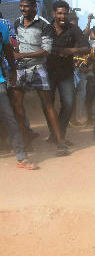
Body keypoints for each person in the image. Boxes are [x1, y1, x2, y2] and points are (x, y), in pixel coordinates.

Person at [11, 0, 69, 156]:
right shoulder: (16, 22)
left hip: (38, 69)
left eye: (27, 6)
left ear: (35, 7)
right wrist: (16, 52)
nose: (23, 9)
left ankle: (60, 143)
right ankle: (26, 140)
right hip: (21, 69)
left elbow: (46, 51)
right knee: (17, 106)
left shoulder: (44, 25)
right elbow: (16, 43)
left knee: (48, 105)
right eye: (21, 5)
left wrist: (21, 55)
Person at [45, 0, 89, 144]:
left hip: (66, 73)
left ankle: (60, 134)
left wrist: (71, 50)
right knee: (47, 105)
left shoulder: (74, 29)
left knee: (69, 104)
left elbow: (86, 48)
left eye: (65, 13)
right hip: (47, 73)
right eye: (59, 13)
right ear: (53, 14)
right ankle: (55, 135)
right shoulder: (45, 28)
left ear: (68, 13)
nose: (62, 16)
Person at [0, 18, 37, 169]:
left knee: (10, 118)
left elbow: (8, 50)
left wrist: (13, 71)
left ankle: (21, 157)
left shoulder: (2, 27)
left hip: (0, 81)